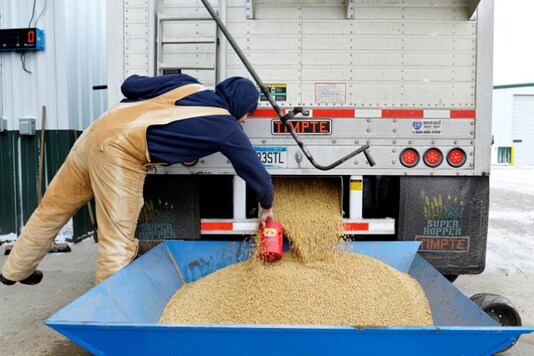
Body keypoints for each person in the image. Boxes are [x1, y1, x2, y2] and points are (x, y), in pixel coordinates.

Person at [0, 74, 274, 286]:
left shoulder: (187, 85)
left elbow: (130, 85)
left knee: (52, 208)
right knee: (117, 239)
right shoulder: (226, 126)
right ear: (239, 105)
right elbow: (254, 171)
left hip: (94, 135)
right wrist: (266, 207)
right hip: (120, 154)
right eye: (249, 113)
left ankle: (15, 270)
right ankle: (110, 316)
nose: (247, 120)